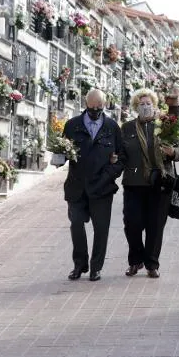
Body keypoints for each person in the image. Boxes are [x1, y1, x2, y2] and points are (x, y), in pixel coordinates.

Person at [120, 89, 179, 278]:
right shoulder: (127, 128)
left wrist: (173, 153)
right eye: (142, 104)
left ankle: (151, 264)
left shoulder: (165, 124)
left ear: (155, 105)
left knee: (155, 225)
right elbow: (122, 151)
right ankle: (135, 260)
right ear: (135, 107)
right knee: (132, 223)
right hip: (134, 183)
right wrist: (116, 160)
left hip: (160, 182)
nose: (146, 107)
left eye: (149, 103)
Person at [62, 89, 124, 282]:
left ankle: (96, 267)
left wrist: (108, 175)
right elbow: (63, 152)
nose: (95, 110)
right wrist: (59, 155)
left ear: (104, 105)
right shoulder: (73, 125)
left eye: (99, 107)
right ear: (85, 104)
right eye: (92, 107)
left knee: (101, 228)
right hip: (77, 186)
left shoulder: (112, 127)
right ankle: (80, 264)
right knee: (77, 224)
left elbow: (121, 159)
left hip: (102, 187)